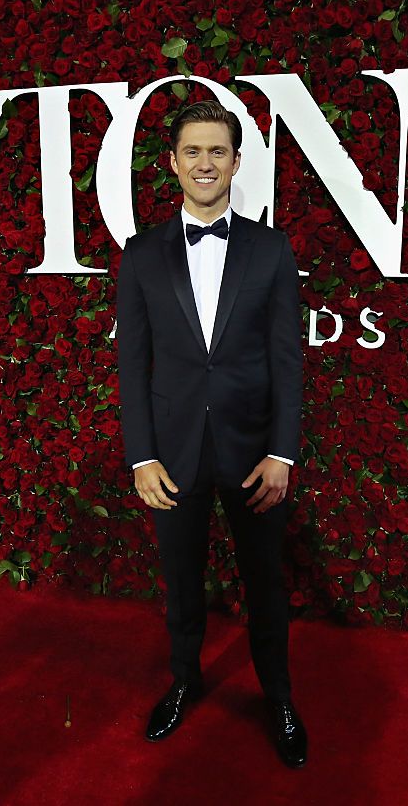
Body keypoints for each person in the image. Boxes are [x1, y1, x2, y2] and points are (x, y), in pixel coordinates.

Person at [115, 98, 307, 768]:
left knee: (265, 588)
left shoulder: (272, 249)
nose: (205, 163)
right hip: (171, 456)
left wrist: (282, 450)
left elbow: (288, 357)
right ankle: (184, 680)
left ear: (236, 161)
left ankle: (278, 696)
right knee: (182, 584)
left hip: (256, 453)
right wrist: (141, 456)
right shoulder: (140, 255)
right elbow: (130, 364)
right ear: (172, 162)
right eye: (192, 151)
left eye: (217, 151)